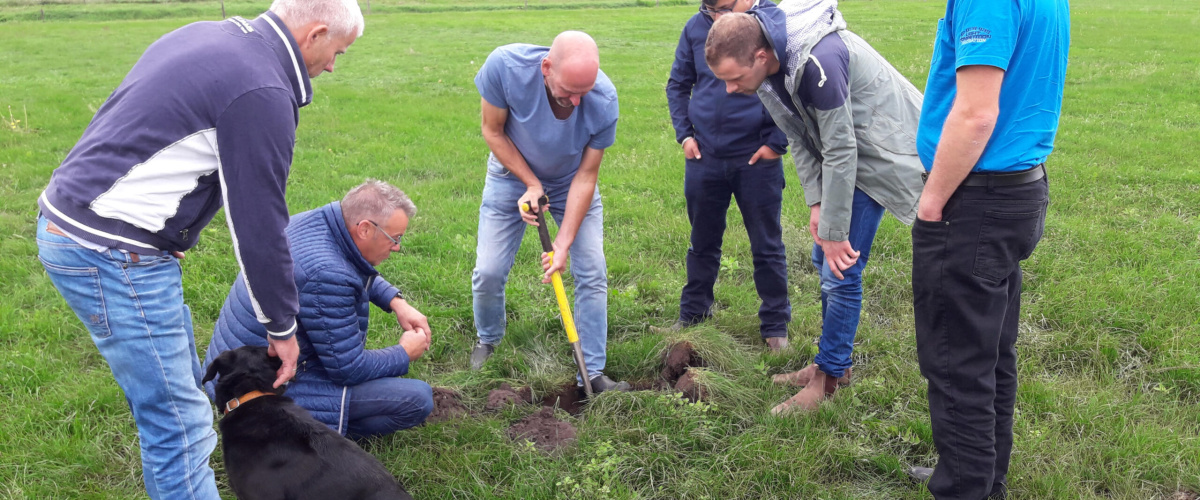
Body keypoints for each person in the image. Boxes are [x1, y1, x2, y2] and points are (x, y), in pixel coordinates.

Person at [34, 0, 363, 496]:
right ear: (315, 34)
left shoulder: (209, 35)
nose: (334, 65)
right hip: (108, 252)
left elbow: (129, 125)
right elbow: (259, 225)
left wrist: (167, 229)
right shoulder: (263, 90)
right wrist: (281, 326)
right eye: (338, 51)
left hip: (84, 220)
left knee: (181, 392)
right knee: (180, 423)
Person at [704, 3, 925, 412]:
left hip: (880, 152)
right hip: (846, 154)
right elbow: (799, 137)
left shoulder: (817, 62)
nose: (730, 89)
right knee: (823, 258)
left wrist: (836, 233)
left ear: (760, 56)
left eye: (734, 79)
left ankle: (828, 378)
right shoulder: (769, 72)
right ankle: (832, 365)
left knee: (840, 269)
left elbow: (843, 149)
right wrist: (818, 203)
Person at [907, 0, 1069, 497]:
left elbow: (976, 114)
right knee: (990, 350)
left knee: (957, 360)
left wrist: (932, 202)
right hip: (1017, 188)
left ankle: (964, 487)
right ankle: (977, 473)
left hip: (976, 197)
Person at [204, 180, 434, 439]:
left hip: (230, 373)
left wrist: (396, 301)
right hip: (258, 391)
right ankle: (312, 434)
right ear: (366, 229)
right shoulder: (327, 274)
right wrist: (404, 353)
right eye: (395, 238)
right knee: (418, 399)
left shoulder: (315, 223)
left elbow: (352, 264)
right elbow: (349, 368)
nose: (398, 247)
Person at [469, 31, 629, 393]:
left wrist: (563, 242)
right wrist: (529, 182)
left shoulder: (603, 100)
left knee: (592, 271)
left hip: (571, 181)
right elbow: (492, 131)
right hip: (510, 175)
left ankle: (593, 372)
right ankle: (488, 339)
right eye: (568, 91)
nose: (575, 102)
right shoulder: (505, 67)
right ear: (546, 68)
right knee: (489, 270)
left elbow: (587, 177)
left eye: (583, 93)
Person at [662, 0, 791, 351]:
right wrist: (685, 135)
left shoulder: (773, 24)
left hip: (757, 159)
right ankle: (693, 316)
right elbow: (677, 84)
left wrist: (776, 143)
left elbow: (792, 82)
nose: (714, 15)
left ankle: (775, 326)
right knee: (702, 242)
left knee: (767, 244)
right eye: (707, 8)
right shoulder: (694, 27)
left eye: (721, 6)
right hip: (704, 157)